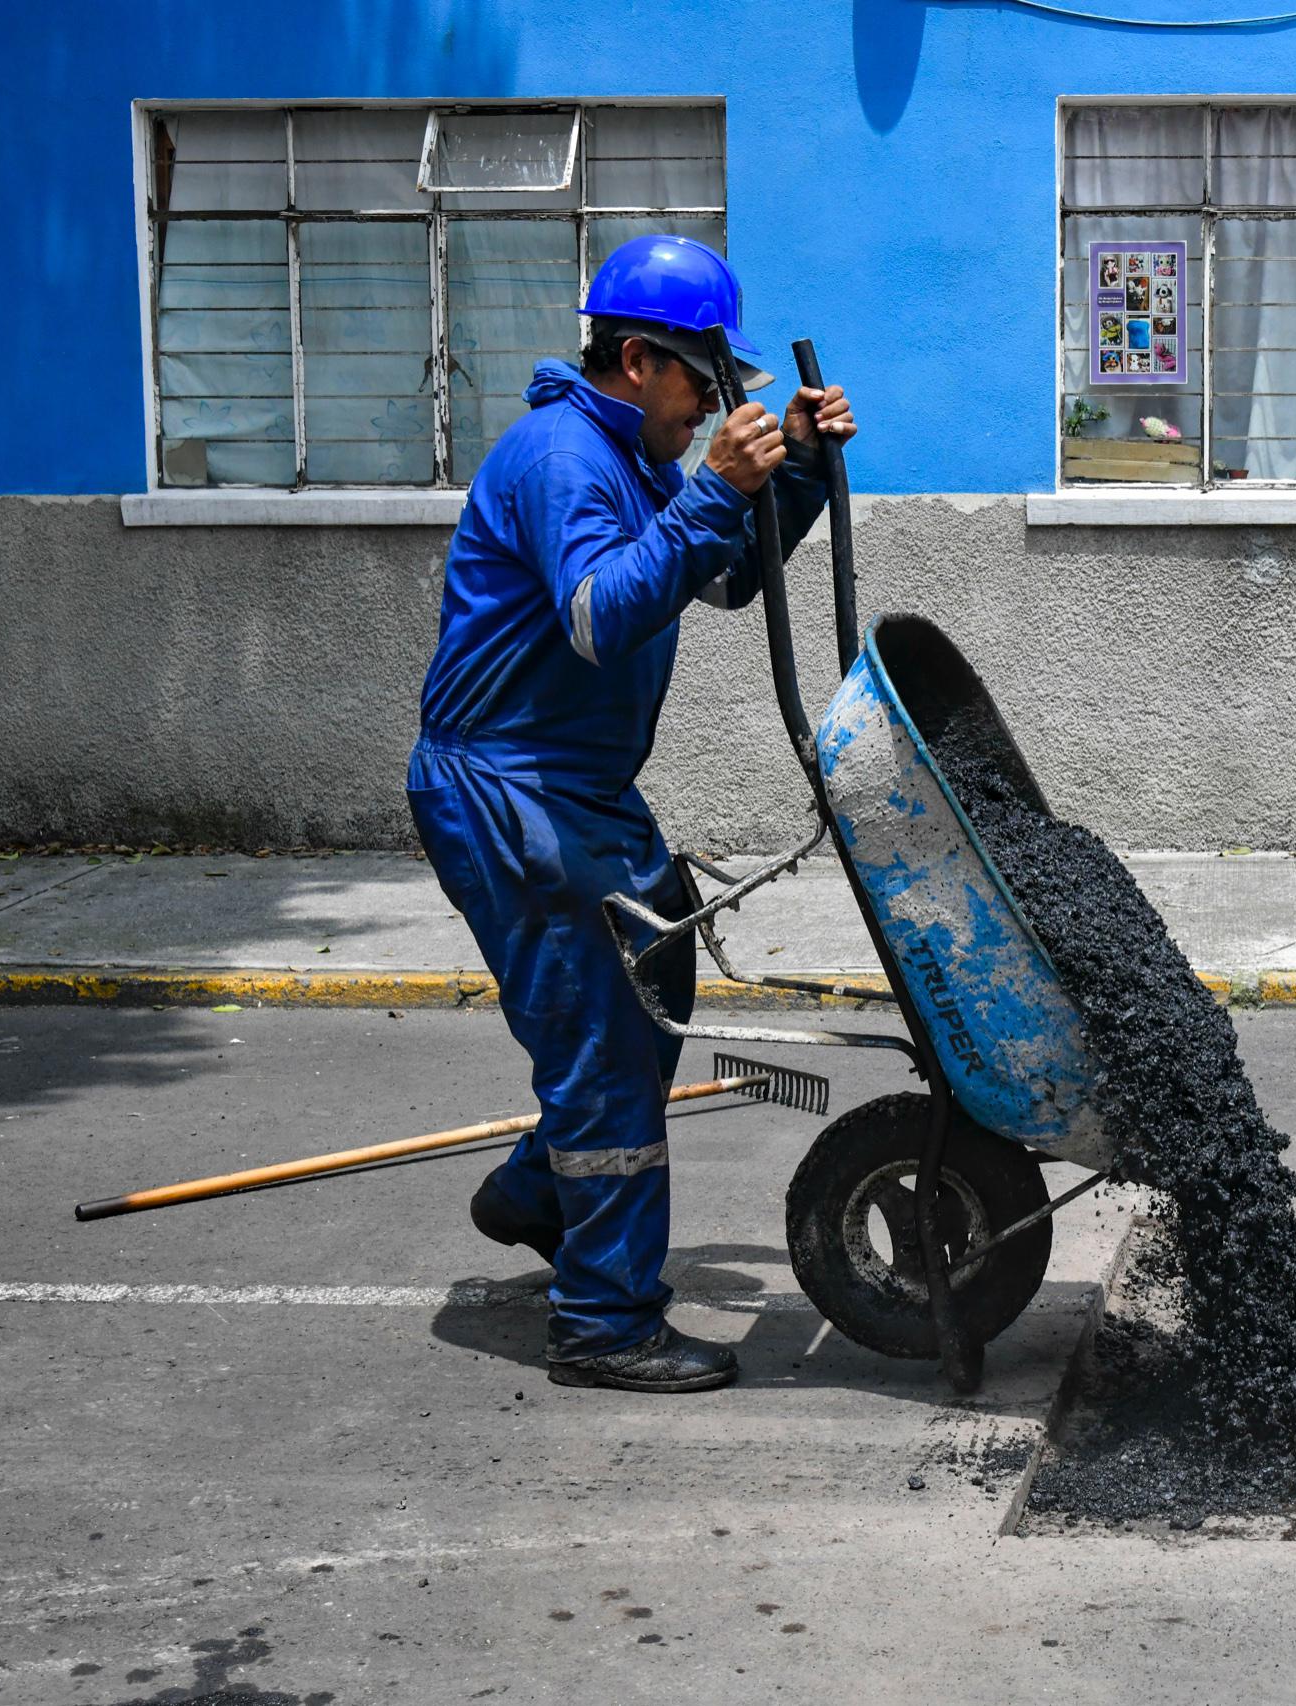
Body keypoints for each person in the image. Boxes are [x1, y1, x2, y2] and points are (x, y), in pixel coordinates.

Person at [407, 235, 855, 1391]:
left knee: (654, 980)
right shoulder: (564, 456)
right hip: (508, 787)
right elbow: (606, 612)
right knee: (608, 1046)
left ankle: (534, 1191)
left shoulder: (633, 456)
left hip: (576, 784)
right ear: (645, 360)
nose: (715, 406)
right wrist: (718, 484)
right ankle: (604, 1321)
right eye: (708, 384)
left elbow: (720, 575)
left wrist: (790, 471)